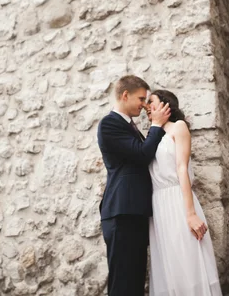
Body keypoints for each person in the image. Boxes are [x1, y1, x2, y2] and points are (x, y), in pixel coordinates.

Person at [97, 75, 170, 296]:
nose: (144, 104)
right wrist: (156, 124)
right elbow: (141, 154)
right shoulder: (109, 123)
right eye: (141, 98)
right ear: (125, 95)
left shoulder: (129, 126)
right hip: (121, 212)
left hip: (133, 212)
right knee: (124, 283)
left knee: (135, 280)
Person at [145, 90, 222, 296]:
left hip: (177, 199)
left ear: (165, 105)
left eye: (151, 102)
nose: (146, 107)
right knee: (167, 264)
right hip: (158, 204)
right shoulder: (150, 135)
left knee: (186, 260)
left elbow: (181, 168)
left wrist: (190, 213)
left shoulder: (178, 127)